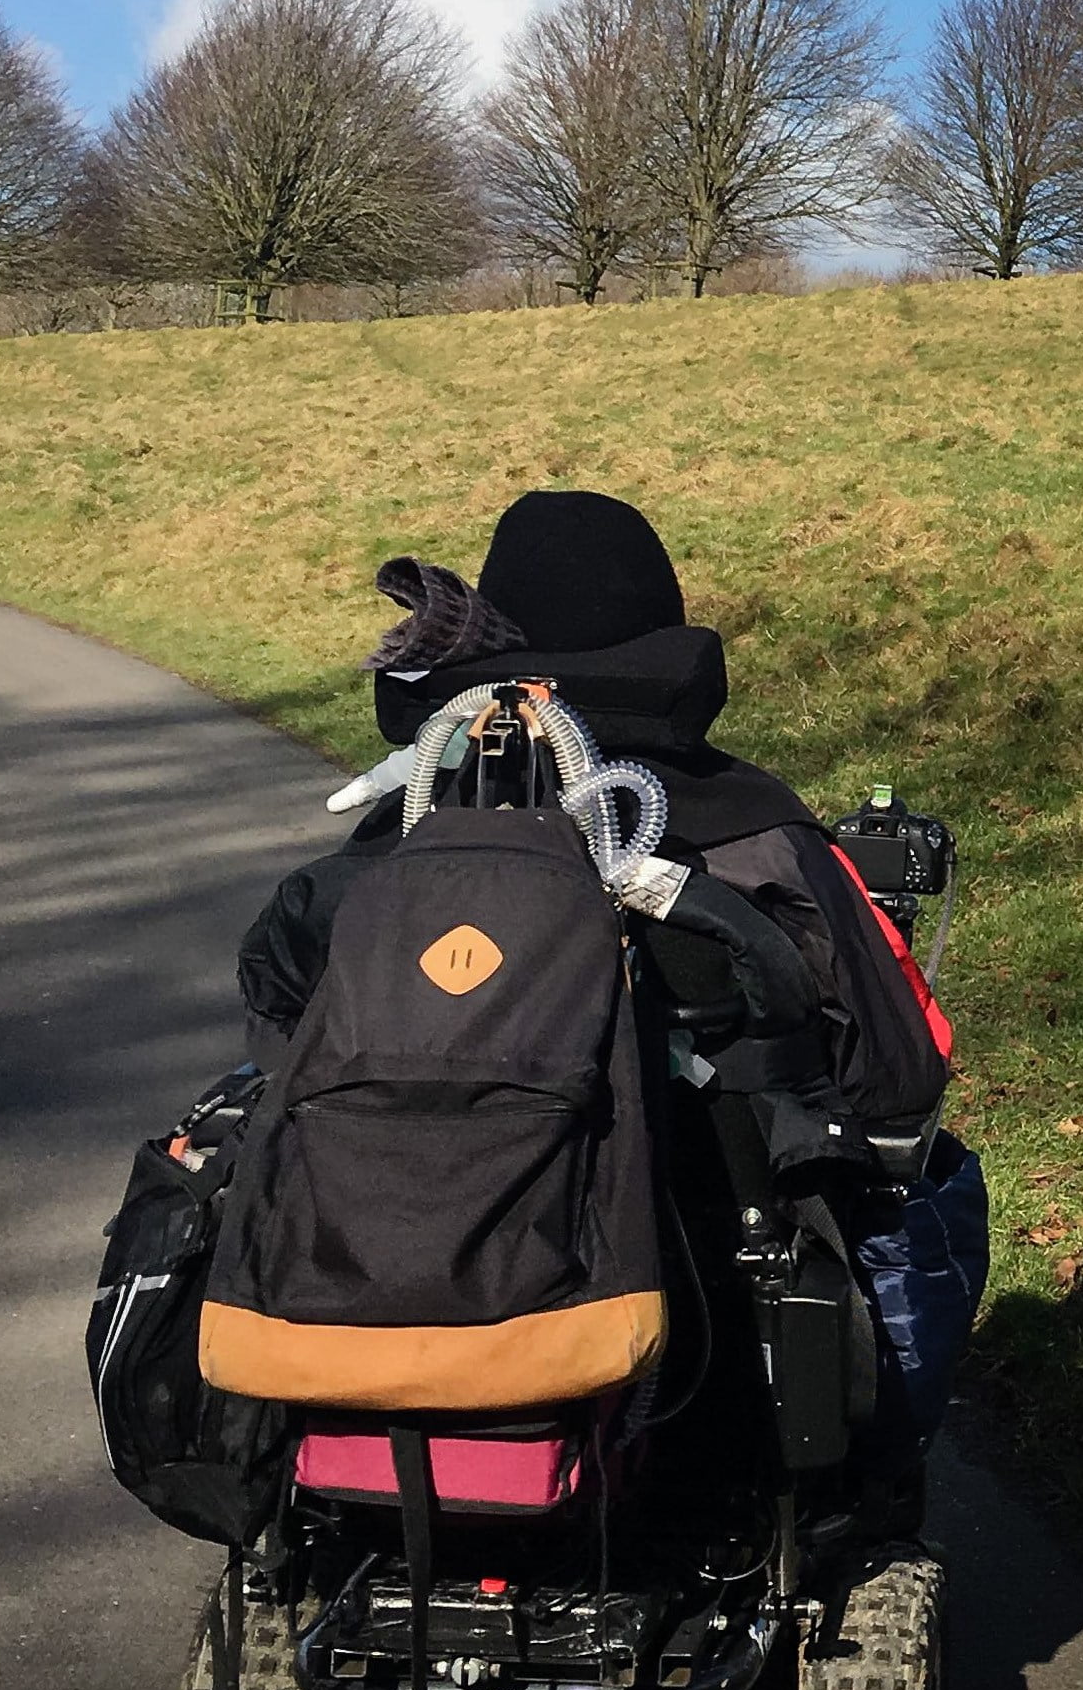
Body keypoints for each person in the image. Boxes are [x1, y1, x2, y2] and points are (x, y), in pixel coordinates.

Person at [237, 489, 968, 1537]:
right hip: (693, 1303)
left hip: (380, 1268)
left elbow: (277, 1042)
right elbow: (897, 1087)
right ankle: (865, 1499)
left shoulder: (382, 864)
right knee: (931, 1187)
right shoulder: (759, 840)